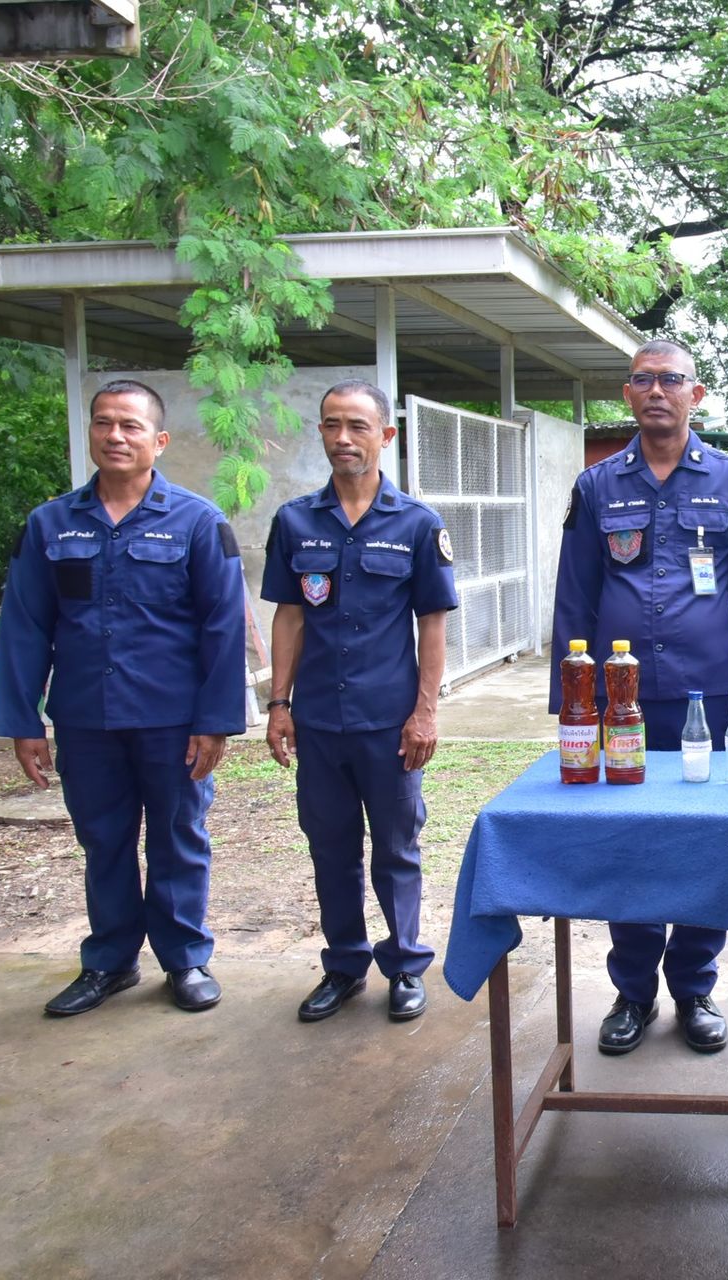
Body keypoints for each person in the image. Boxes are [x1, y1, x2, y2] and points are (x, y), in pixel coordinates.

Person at [550, 339, 728, 1056]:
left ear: (696, 393)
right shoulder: (597, 486)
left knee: (704, 837)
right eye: (644, 379)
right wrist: (573, 703)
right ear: (627, 393)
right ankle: (632, 992)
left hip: (706, 695)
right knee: (628, 836)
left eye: (672, 379)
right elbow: (574, 598)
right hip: (618, 700)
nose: (658, 390)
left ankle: (694, 987)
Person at [0, 379, 247, 1017]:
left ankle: (185, 959)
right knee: (103, 840)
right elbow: (25, 627)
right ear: (91, 434)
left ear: (159, 440)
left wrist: (215, 721)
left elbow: (223, 628)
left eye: (131, 425)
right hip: (86, 719)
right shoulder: (51, 524)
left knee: (177, 838)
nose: (115, 436)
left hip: (172, 721)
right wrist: (23, 721)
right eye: (104, 423)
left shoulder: (197, 522)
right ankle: (109, 961)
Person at [262, 380, 458, 1023]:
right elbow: (290, 617)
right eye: (331, 425)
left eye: (357, 426)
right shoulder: (295, 521)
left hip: (388, 723)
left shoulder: (417, 524)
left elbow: (433, 623)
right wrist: (279, 704)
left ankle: (405, 966)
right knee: (330, 848)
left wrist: (425, 712)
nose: (342, 438)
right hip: (319, 720)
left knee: (397, 849)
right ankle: (344, 967)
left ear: (386, 435)